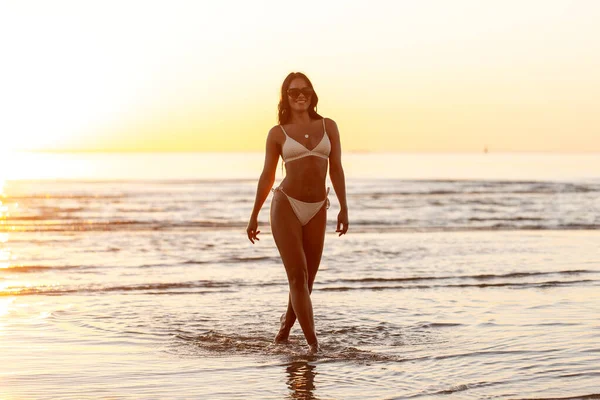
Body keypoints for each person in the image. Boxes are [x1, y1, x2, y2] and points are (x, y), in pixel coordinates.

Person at [246, 72, 349, 354]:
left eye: (305, 90)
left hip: (318, 208)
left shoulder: (329, 126)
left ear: (313, 93)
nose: (300, 95)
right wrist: (254, 214)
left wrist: (343, 207)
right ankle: (314, 346)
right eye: (294, 92)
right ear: (286, 97)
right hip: (286, 206)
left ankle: (284, 331)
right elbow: (267, 175)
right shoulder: (277, 133)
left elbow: (336, 169)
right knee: (297, 277)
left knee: (307, 280)